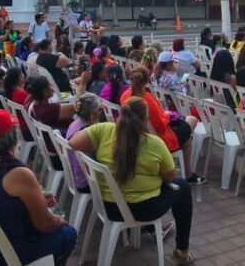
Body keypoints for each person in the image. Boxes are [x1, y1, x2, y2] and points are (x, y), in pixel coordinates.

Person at [69, 97, 196, 265]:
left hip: (107, 205)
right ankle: (182, 250)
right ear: (145, 119)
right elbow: (169, 177)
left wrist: (99, 159)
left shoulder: (103, 130)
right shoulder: (155, 144)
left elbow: (73, 142)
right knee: (183, 187)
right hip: (141, 210)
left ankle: (180, 249)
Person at [0, 109, 77, 266]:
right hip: (8, 252)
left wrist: (38, 201)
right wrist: (60, 220)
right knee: (68, 234)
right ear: (15, 137)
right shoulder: (18, 173)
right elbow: (45, 224)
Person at [119, 67, 205, 184]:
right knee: (191, 122)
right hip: (159, 138)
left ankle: (185, 170)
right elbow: (159, 126)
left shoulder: (125, 95)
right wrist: (167, 116)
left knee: (187, 135)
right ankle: (188, 174)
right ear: (147, 81)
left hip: (136, 135)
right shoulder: (147, 100)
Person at [65, 94, 103, 192]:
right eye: (100, 109)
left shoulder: (74, 124)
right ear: (94, 114)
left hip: (76, 175)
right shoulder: (88, 133)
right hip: (86, 181)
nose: (102, 112)